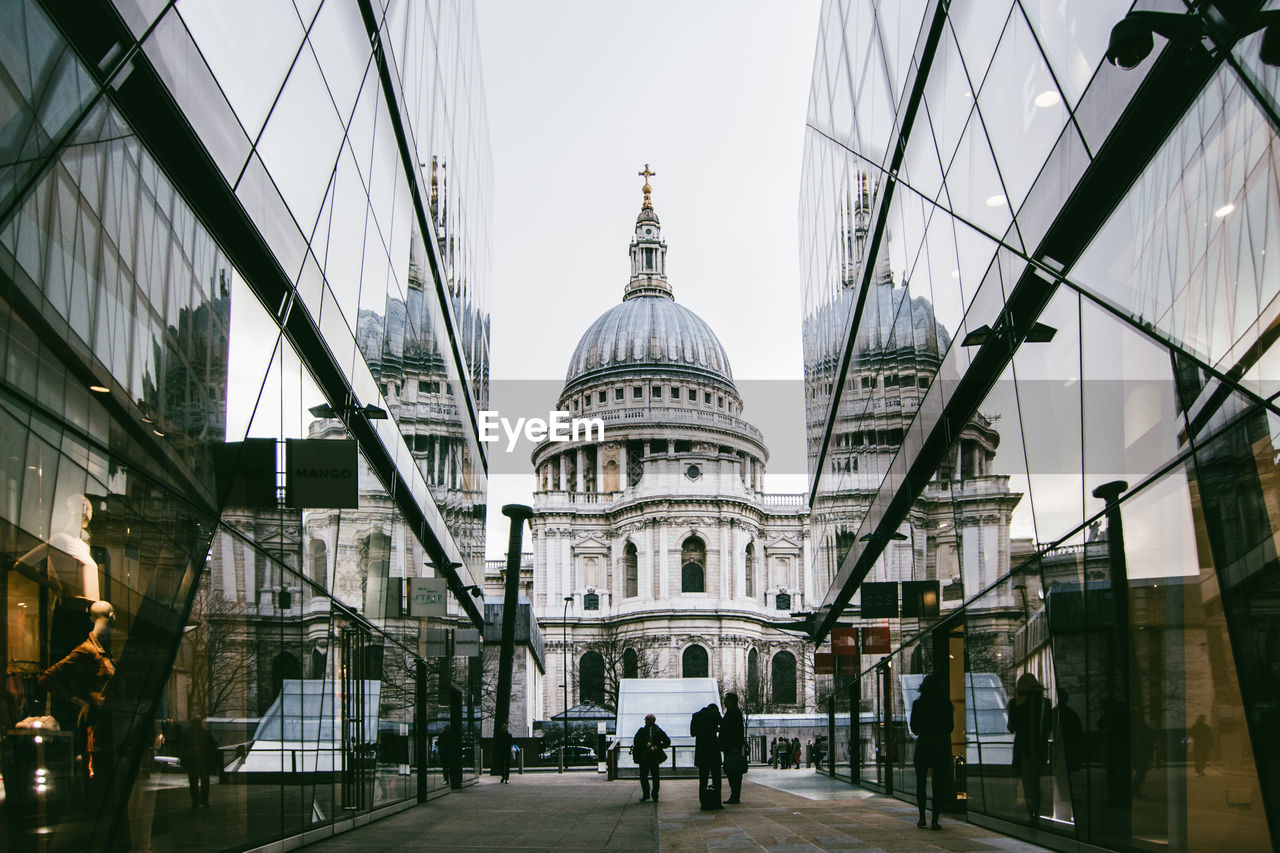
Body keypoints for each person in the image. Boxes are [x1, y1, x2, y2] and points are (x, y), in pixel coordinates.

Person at [39, 599, 117, 785]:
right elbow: (46, 679)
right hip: (94, 727)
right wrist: (80, 702)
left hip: (106, 726)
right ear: (112, 616)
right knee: (96, 775)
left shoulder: (102, 652)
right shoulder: (86, 650)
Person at [910, 674, 953, 830]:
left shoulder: (918, 704)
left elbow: (914, 728)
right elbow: (950, 727)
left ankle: (922, 817)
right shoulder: (945, 704)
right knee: (938, 784)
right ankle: (935, 820)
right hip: (940, 744)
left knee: (921, 782)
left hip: (924, 743)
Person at [1008, 672, 1050, 823]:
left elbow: (1011, 727)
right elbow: (1047, 727)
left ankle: (1032, 811)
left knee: (1027, 782)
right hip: (1040, 747)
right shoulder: (1045, 703)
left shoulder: (1015, 704)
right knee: (1035, 781)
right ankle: (1035, 810)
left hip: (1023, 747)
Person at [179, 716, 218, 807]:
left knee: (194, 782)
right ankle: (203, 800)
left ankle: (196, 800)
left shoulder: (187, 733)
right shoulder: (205, 733)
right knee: (203, 781)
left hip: (194, 760)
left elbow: (182, 747)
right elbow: (211, 748)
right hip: (202, 760)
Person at [690, 703, 723, 810]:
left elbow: (692, 733)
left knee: (703, 779)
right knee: (716, 778)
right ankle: (717, 802)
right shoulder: (715, 714)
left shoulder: (696, 715)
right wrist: (714, 729)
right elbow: (723, 726)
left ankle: (703, 803)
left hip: (701, 751)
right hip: (713, 751)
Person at [632, 713, 670, 802]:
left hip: (650, 757)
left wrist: (656, 746)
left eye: (647, 720)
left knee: (652, 776)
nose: (645, 721)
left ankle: (652, 795)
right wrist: (646, 744)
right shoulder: (654, 730)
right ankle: (650, 795)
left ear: (651, 721)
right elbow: (636, 742)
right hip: (647, 757)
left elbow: (667, 741)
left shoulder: (656, 730)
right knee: (647, 776)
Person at [720, 693, 746, 804]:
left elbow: (736, 731)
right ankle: (735, 795)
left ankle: (735, 796)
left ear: (731, 701)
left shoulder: (733, 712)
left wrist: (735, 746)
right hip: (731, 746)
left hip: (732, 747)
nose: (724, 701)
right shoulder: (733, 712)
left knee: (733, 771)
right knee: (733, 771)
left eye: (726, 699)